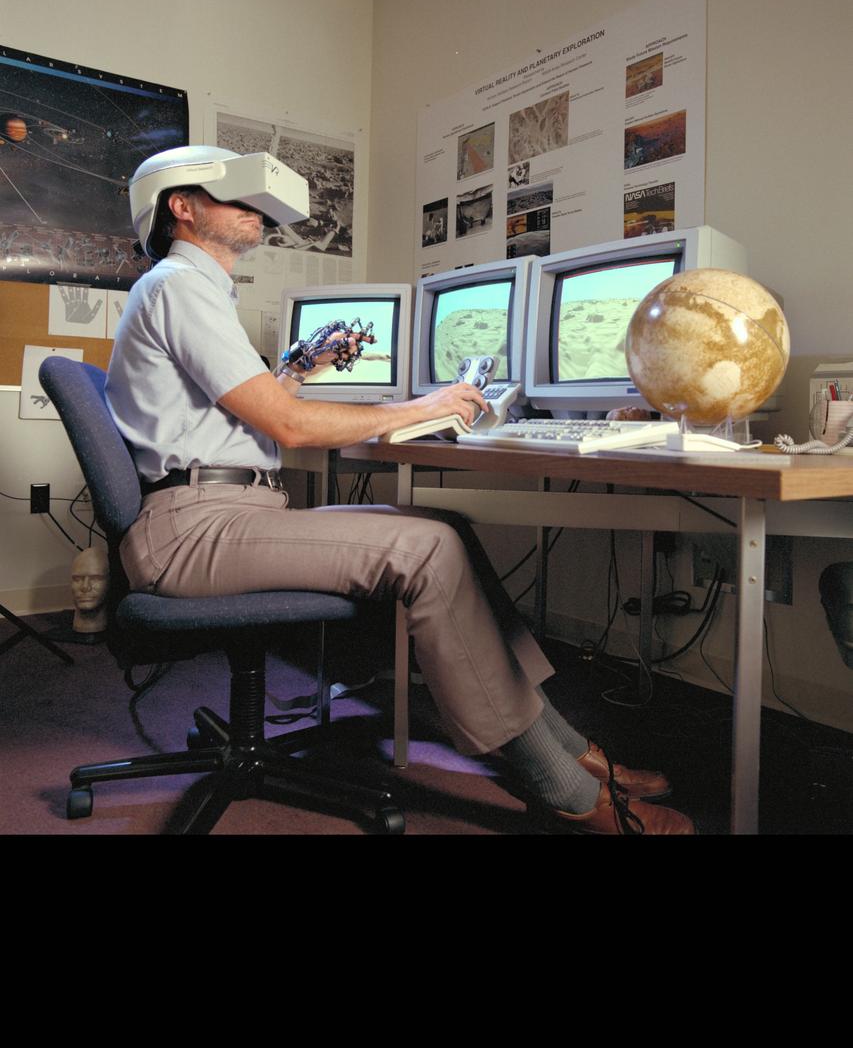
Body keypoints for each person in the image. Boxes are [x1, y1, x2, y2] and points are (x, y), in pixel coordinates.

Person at [105, 146, 694, 836]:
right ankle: (565, 789)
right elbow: (286, 427)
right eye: (236, 198)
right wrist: (423, 406)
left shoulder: (191, 291)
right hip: (193, 530)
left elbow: (235, 414)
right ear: (182, 207)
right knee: (428, 549)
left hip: (224, 511)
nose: (255, 211)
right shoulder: (179, 284)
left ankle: (571, 748)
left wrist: (295, 369)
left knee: (444, 526)